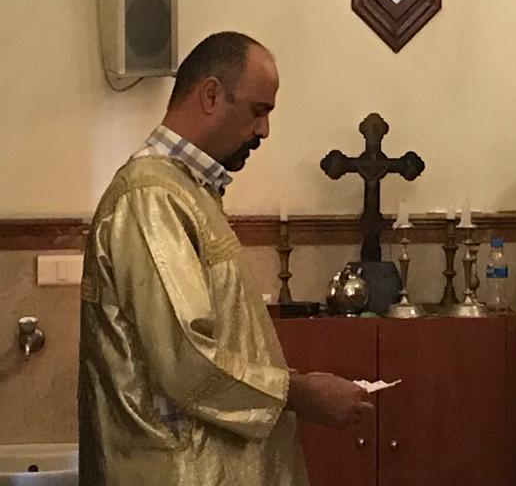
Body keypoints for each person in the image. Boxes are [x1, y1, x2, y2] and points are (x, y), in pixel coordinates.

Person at [79, 32, 373, 486]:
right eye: (258, 110)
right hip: (177, 472)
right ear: (212, 95)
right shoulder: (151, 196)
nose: (264, 130)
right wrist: (298, 393)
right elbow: (184, 359)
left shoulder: (188, 190)